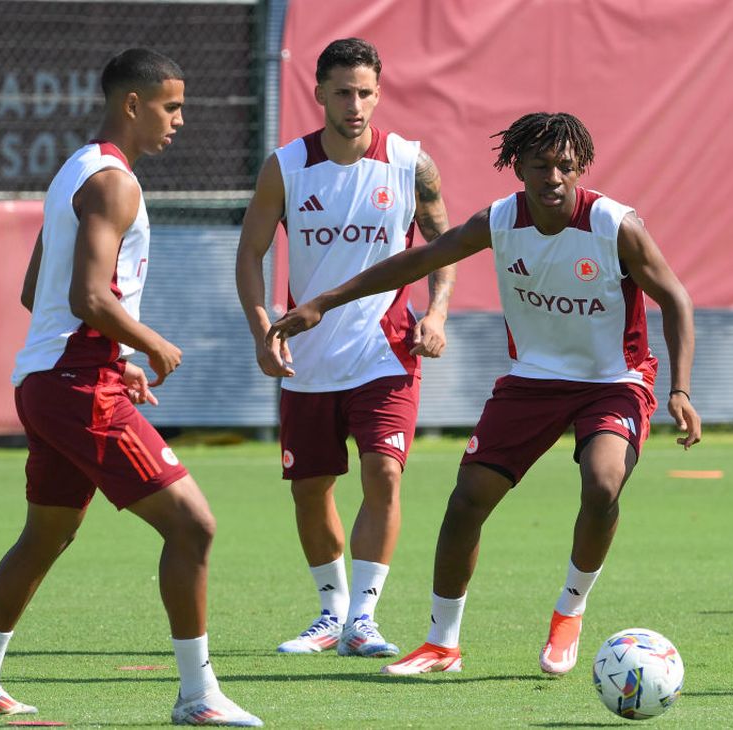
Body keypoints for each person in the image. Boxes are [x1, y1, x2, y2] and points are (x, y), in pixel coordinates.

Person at [267, 112, 702, 676]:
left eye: (565, 166)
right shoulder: (500, 220)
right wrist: (324, 302)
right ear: (517, 167)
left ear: (581, 169)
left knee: (602, 484)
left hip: (613, 381)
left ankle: (570, 610)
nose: (553, 178)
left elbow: (676, 299)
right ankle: (442, 644)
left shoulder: (613, 225)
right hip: (532, 380)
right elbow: (419, 258)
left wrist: (680, 389)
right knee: (467, 499)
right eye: (540, 166)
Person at [0, 49, 262, 726]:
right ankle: (198, 696)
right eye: (171, 106)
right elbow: (88, 297)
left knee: (46, 535)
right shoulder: (115, 184)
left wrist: (118, 355)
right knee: (194, 526)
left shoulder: (76, 169)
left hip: (51, 380)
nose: (180, 120)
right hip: (77, 385)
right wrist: (150, 344)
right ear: (132, 104)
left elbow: (36, 290)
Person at [235, 37, 455, 659]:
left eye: (364, 93)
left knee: (383, 472)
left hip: (386, 352)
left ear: (379, 94)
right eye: (342, 93)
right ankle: (331, 613)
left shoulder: (411, 164)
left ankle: (364, 617)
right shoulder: (286, 166)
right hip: (307, 358)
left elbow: (445, 245)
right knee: (311, 488)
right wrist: (262, 331)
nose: (354, 105)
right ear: (319, 94)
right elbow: (250, 254)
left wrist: (437, 313)